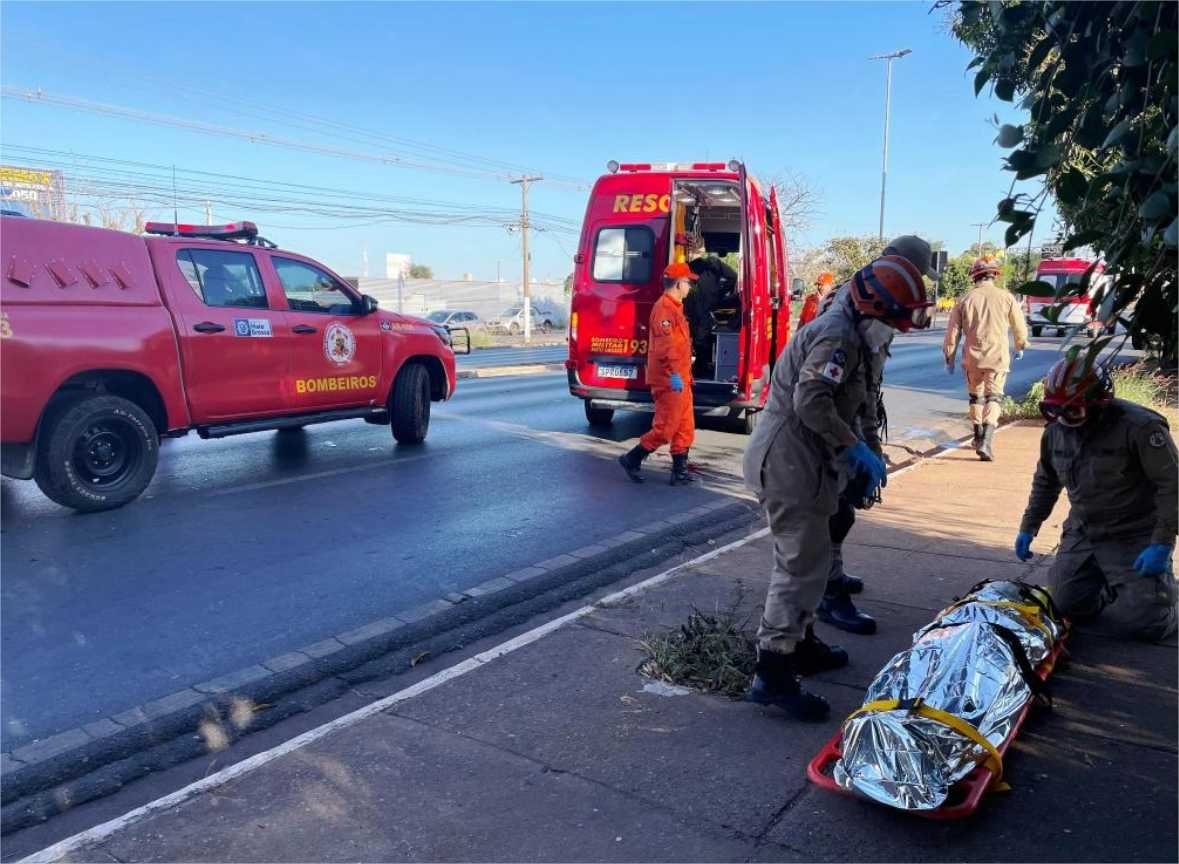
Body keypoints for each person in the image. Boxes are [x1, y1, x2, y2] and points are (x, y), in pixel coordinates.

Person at [742, 251, 933, 721]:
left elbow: (861, 400)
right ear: (874, 306)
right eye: (893, 318)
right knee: (799, 568)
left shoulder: (856, 328)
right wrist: (854, 449)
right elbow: (812, 403)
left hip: (809, 462)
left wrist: (868, 450)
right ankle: (774, 674)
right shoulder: (838, 334)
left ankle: (801, 644)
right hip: (790, 463)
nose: (896, 329)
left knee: (815, 559)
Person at [814, 236, 937, 633]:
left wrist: (871, 442)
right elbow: (826, 390)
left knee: (844, 507)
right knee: (833, 512)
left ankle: (831, 575)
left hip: (851, 407)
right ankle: (828, 592)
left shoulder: (883, 293)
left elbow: (867, 381)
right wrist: (855, 443)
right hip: (828, 418)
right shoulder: (856, 302)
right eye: (917, 271)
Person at [1015, 356, 1177, 641]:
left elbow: (1172, 485)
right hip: (1085, 529)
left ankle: (1167, 600)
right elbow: (1046, 479)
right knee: (1067, 606)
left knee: (1146, 624)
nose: (1064, 419)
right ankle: (1112, 583)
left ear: (1099, 405)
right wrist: (1030, 525)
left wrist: (1161, 543)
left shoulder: (1140, 427)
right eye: (1055, 410)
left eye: (1073, 411)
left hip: (1134, 532)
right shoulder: (1056, 431)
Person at [943, 255, 1029, 461]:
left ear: (975, 277)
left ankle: (978, 436)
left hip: (972, 358)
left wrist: (949, 357)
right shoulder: (1006, 297)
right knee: (994, 397)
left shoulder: (964, 300)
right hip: (997, 357)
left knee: (976, 397)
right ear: (994, 275)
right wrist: (1020, 345)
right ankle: (987, 441)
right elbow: (1019, 326)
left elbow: (952, 333)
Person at [618, 262, 697, 486]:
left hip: (681, 377)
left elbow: (679, 346)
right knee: (665, 429)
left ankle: (679, 472)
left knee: (685, 426)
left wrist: (685, 373)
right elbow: (666, 349)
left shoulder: (675, 307)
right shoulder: (664, 309)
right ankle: (632, 459)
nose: (690, 286)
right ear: (679, 284)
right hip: (670, 379)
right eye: (688, 282)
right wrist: (675, 375)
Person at [682, 238, 739, 375]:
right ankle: (702, 367)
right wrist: (719, 293)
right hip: (706, 308)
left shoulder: (684, 267)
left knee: (691, 340)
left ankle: (695, 368)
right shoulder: (713, 264)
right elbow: (733, 277)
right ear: (702, 249)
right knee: (703, 340)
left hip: (689, 310)